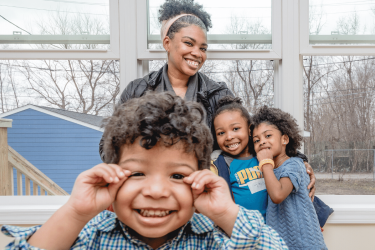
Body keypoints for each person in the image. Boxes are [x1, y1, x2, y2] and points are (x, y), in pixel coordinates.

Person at [1, 92, 287, 250]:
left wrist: (226, 213)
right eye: (137, 173)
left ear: (198, 182)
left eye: (177, 176)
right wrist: (75, 212)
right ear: (112, 177)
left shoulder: (213, 239)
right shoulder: (92, 238)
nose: (156, 191)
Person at [99, 0, 233, 161]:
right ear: (167, 43)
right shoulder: (137, 90)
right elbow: (107, 148)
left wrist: (213, 164)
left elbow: (242, 146)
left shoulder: (219, 94)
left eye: (203, 48)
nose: (197, 53)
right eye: (188, 43)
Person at [211, 96, 316, 220]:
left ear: (249, 129)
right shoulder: (219, 164)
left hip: (275, 230)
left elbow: (290, 172)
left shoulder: (265, 153)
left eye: (235, 129)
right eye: (221, 133)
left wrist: (303, 164)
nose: (229, 136)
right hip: (243, 232)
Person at [251, 106, 327, 250]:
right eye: (256, 140)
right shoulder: (271, 170)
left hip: (305, 245)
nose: (261, 142)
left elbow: (278, 195)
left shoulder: (294, 165)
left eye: (268, 136)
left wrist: (266, 164)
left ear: (284, 139)